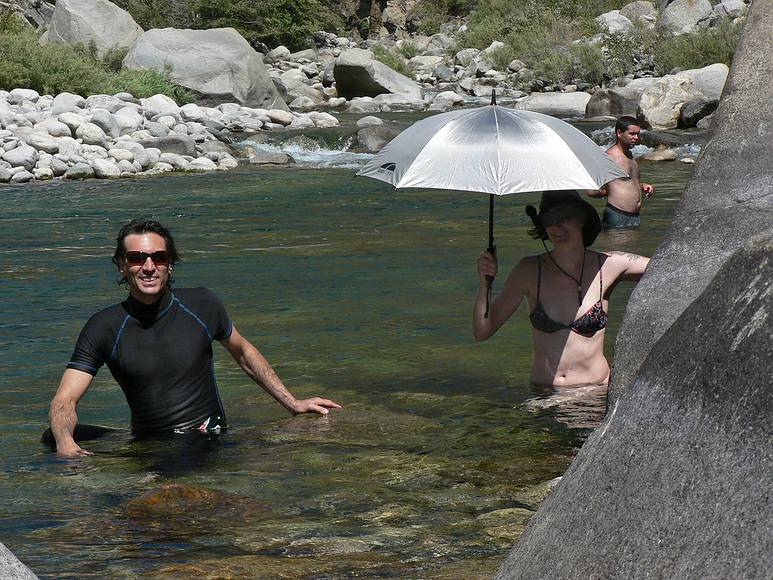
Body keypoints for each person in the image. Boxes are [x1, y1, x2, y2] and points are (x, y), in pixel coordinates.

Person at [48, 218, 341, 457]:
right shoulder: (104, 326)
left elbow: (244, 353)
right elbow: (65, 400)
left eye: (159, 258)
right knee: (50, 435)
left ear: (170, 264)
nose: (149, 267)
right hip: (148, 441)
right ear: (122, 265)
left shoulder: (202, 305)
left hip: (206, 437)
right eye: (137, 258)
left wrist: (292, 403)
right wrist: (65, 443)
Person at [473, 191, 649, 387]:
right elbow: (482, 332)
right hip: (543, 394)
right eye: (549, 219)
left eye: (564, 217)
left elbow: (670, 267)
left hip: (594, 393)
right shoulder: (529, 270)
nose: (556, 226)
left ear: (582, 218)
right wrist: (485, 283)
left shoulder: (609, 265)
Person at [588, 116, 654, 228]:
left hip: (634, 216)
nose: (636, 138)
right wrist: (611, 190)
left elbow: (627, 183)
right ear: (619, 133)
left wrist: (642, 186)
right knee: (616, 246)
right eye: (632, 134)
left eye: (638, 134)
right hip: (617, 215)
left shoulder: (630, 155)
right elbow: (591, 191)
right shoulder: (609, 158)